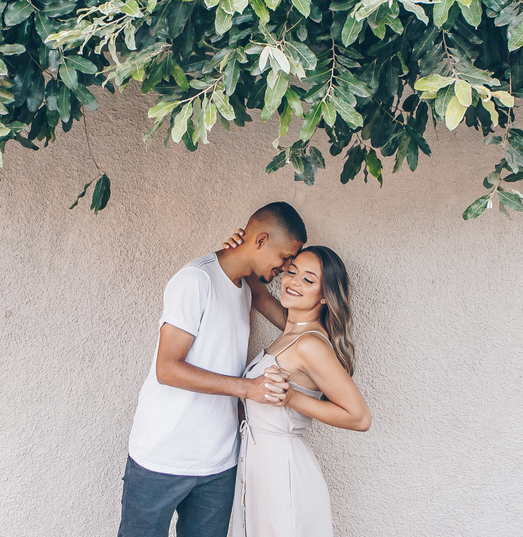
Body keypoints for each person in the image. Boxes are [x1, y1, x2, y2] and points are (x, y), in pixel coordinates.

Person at [117, 202, 307, 537]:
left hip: (220, 462)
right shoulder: (196, 279)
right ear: (260, 240)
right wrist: (248, 388)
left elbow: (291, 327)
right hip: (162, 456)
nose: (286, 268)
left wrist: (321, 332)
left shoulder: (250, 287)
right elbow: (168, 369)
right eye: (285, 258)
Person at [223, 242, 371, 537]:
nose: (293, 282)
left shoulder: (310, 344)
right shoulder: (291, 332)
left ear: (326, 296)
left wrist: (292, 398)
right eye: (291, 272)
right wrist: (238, 253)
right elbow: (260, 294)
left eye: (308, 279)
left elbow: (359, 417)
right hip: (257, 464)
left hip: (282, 470)